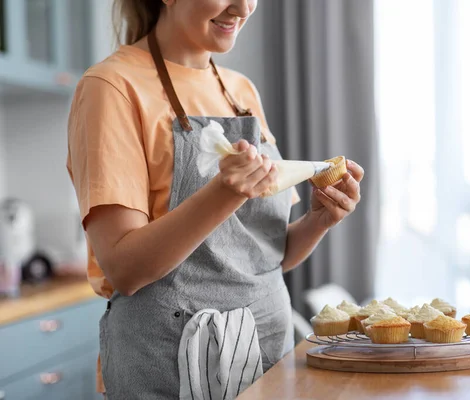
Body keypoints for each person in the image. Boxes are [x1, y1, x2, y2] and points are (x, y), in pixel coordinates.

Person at [67, 0, 364, 398]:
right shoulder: (112, 87)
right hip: (168, 369)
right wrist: (225, 192)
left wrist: (319, 219)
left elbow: (263, 256)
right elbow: (124, 268)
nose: (242, 8)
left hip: (266, 361)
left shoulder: (241, 91)